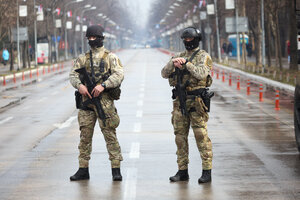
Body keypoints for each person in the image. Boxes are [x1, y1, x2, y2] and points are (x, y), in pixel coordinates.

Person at [69, 25, 124, 181]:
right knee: (85, 137)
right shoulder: (83, 58)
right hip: (87, 103)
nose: (92, 40)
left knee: (110, 136)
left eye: (94, 38)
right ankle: (83, 169)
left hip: (104, 103)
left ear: (101, 38)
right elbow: (73, 75)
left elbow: (119, 74)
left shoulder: (110, 57)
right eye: (89, 38)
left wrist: (104, 85)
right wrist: (79, 86)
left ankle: (116, 169)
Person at [161, 27, 213, 184]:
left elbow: (201, 74)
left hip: (197, 102)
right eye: (186, 40)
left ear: (197, 40)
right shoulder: (178, 56)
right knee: (180, 137)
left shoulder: (204, 56)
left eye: (191, 40)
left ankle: (207, 171)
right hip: (180, 102)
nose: (188, 42)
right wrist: (173, 64)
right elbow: (164, 73)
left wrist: (187, 64)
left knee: (200, 136)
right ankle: (182, 171)